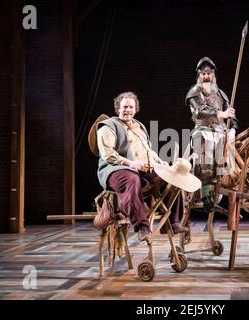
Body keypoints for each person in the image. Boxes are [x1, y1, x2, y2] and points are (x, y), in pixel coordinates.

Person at [92, 91, 188, 244]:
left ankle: (173, 222)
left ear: (136, 109)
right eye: (124, 107)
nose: (127, 110)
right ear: (118, 107)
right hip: (115, 169)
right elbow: (107, 154)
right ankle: (142, 226)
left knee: (172, 176)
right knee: (132, 179)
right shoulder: (108, 126)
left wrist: (161, 163)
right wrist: (130, 163)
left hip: (141, 169)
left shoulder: (139, 127)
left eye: (131, 107)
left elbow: (148, 151)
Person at [185, 57, 239, 212]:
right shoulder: (195, 92)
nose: (206, 76)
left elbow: (231, 113)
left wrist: (234, 125)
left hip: (222, 132)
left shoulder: (221, 94)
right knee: (205, 150)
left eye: (209, 73)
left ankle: (235, 181)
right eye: (203, 73)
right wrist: (221, 113)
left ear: (213, 74)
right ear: (199, 75)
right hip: (204, 131)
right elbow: (200, 111)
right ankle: (206, 194)